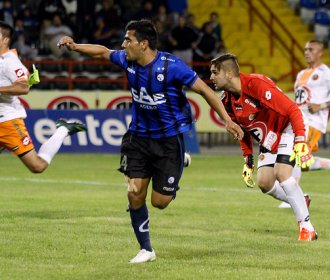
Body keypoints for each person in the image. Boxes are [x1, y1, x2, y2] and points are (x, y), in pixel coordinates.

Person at [57, 19, 244, 263]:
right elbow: (103, 52)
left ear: (144, 44)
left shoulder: (172, 66)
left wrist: (227, 120)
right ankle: (146, 249)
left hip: (168, 142)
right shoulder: (127, 60)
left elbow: (205, 91)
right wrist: (75, 47)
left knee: (160, 202)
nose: (123, 44)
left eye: (128, 40)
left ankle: (178, 163)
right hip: (138, 138)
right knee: (135, 193)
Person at [0, 19, 87, 207]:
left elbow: (24, 87)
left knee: (37, 166)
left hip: (8, 123)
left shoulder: (10, 61)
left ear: (6, 40)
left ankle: (63, 130)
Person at [209, 53, 318, 241]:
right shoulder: (226, 101)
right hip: (270, 138)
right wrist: (248, 161)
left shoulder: (256, 85)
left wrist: (300, 140)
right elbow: (241, 132)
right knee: (265, 183)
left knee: (282, 173)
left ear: (228, 74)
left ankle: (307, 228)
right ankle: (301, 199)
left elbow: (292, 110)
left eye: (214, 72)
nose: (211, 78)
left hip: (288, 127)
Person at [278, 40, 330, 208]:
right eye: (305, 49)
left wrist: (322, 105)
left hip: (313, 122)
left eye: (311, 49)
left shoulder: (327, 73)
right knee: (302, 162)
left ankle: (295, 198)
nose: (306, 52)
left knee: (297, 156)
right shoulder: (301, 74)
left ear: (320, 53)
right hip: (298, 120)